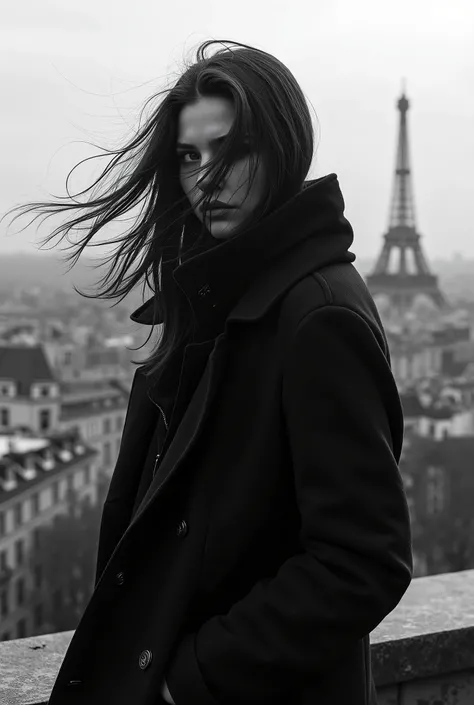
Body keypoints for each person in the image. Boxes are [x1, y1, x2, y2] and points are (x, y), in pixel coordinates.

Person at [4, 39, 412, 705]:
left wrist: (185, 680)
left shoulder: (316, 314)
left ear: (281, 148)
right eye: (189, 158)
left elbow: (364, 560)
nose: (206, 179)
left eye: (230, 151)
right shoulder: (223, 295)